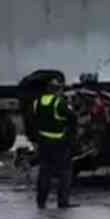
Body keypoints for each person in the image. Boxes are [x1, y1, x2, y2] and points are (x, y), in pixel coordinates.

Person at [33, 78, 78, 209]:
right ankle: (63, 202)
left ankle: (41, 202)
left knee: (44, 172)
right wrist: (71, 136)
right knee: (65, 171)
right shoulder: (59, 103)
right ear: (57, 90)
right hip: (59, 143)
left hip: (43, 143)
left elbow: (35, 121)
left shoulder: (37, 102)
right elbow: (72, 118)